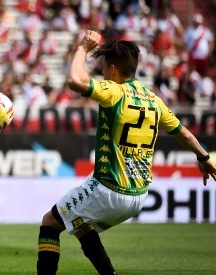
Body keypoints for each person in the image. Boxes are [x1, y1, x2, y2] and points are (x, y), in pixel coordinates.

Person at [36, 30, 216, 275]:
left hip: (109, 188)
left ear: (112, 69)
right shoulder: (154, 100)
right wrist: (203, 157)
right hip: (138, 196)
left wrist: (83, 48)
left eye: (104, 69)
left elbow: (75, 81)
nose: (103, 73)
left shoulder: (114, 91)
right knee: (80, 225)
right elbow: (183, 133)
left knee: (49, 223)